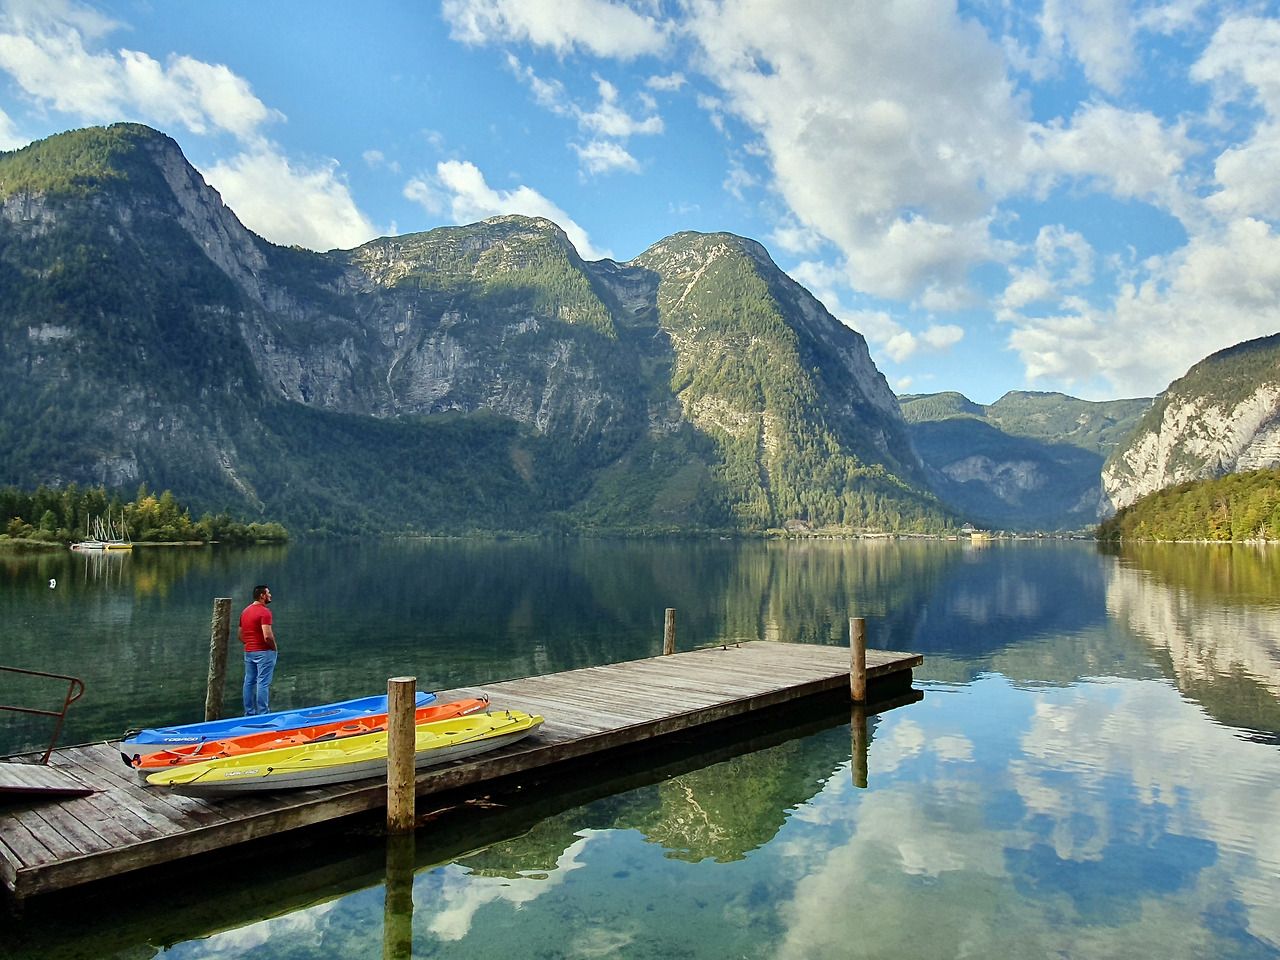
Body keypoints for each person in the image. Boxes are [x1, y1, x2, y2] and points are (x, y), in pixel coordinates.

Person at [239, 584, 277, 716]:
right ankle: (263, 714)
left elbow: (240, 634)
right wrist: (273, 647)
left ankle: (249, 713)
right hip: (264, 652)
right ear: (262, 595)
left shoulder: (245, 611)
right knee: (263, 683)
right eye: (268, 593)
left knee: (249, 681)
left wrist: (250, 643)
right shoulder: (264, 612)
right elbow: (267, 634)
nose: (270, 595)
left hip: (249, 651)